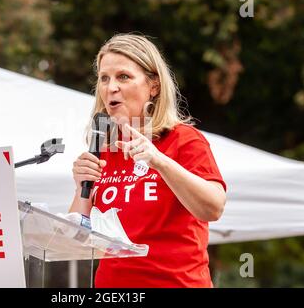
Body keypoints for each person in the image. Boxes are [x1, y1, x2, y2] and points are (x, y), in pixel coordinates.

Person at [69, 33, 227, 288]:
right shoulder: (103, 150)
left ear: (153, 86)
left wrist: (159, 161)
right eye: (104, 78)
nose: (111, 87)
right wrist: (81, 189)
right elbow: (75, 239)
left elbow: (213, 208)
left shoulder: (185, 140)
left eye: (123, 77)